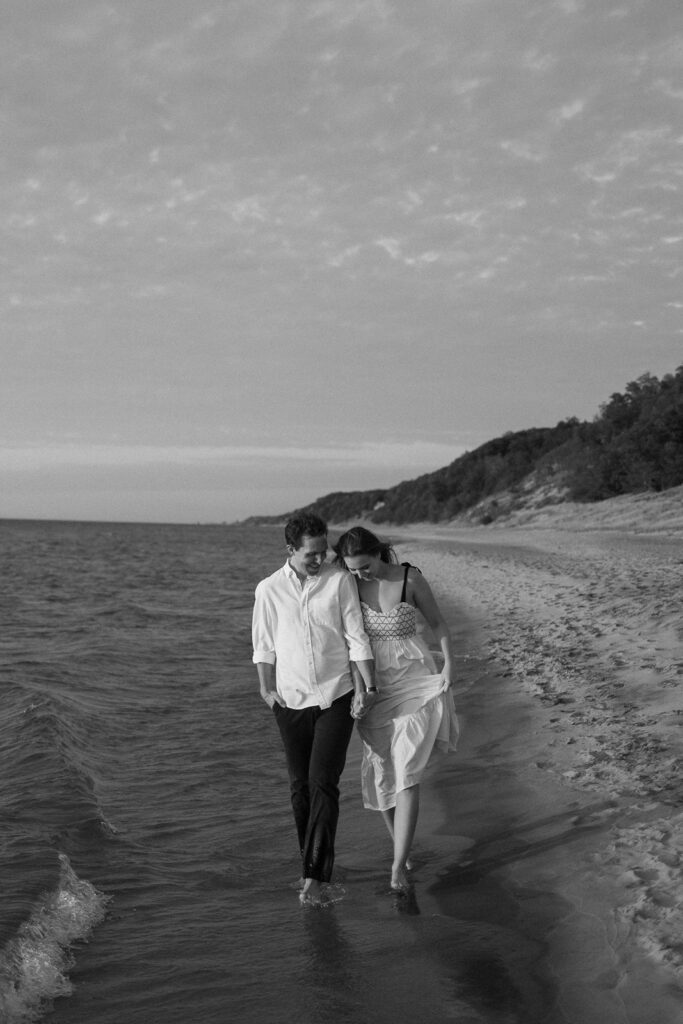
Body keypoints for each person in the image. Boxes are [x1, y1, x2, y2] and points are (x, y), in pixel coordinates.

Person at [252, 512, 377, 905]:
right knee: (299, 789)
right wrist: (265, 691)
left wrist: (365, 686)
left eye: (324, 550)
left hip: (335, 696)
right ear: (291, 549)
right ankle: (311, 864)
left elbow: (356, 636)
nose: (320, 558)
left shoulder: (339, 582)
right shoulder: (268, 590)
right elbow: (264, 645)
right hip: (289, 700)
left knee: (323, 781)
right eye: (312, 553)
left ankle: (315, 877)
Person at [334, 526, 459, 892]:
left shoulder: (410, 578)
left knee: (406, 770)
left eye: (365, 566)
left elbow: (437, 623)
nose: (360, 575)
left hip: (415, 681)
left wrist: (450, 663)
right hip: (375, 688)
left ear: (378, 552)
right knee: (384, 771)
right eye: (353, 570)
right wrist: (359, 689)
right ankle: (401, 851)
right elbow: (348, 643)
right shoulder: (350, 586)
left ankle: (396, 867)